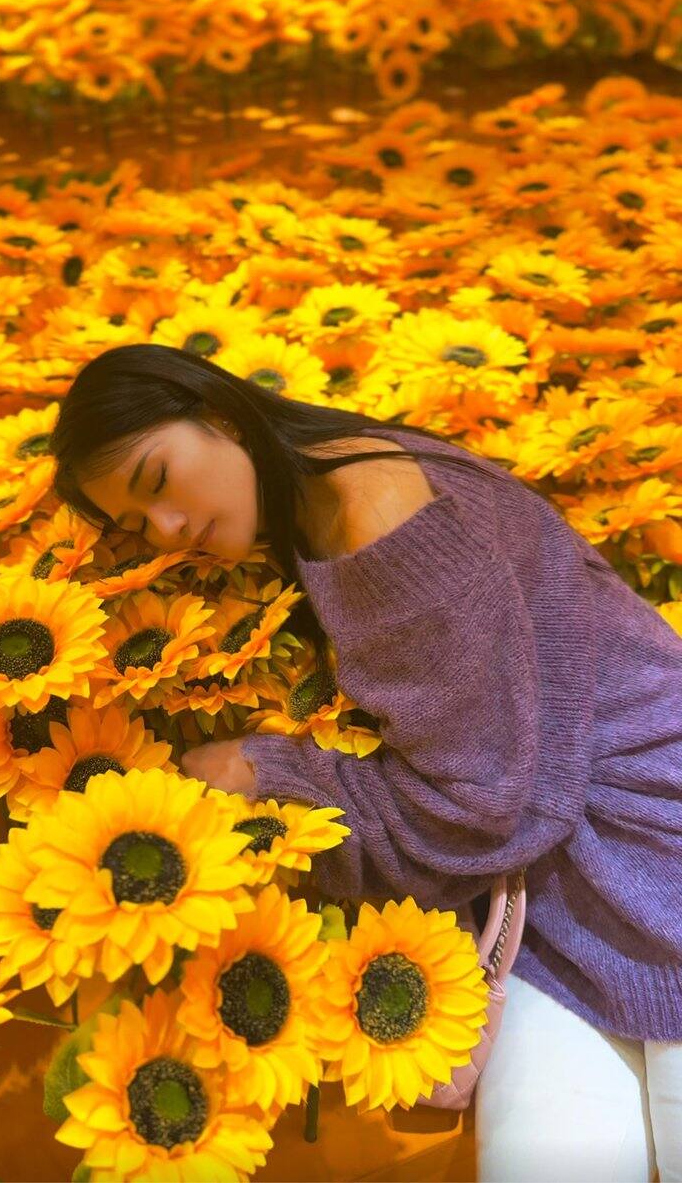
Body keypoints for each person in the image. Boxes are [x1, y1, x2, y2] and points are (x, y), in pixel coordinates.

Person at [50, 342, 682, 1182]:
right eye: (136, 527)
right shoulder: (329, 483)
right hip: (546, 887)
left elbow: (474, 811)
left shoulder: (375, 515)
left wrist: (259, 771)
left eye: (157, 480)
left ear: (222, 415)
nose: (166, 532)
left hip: (647, 841)